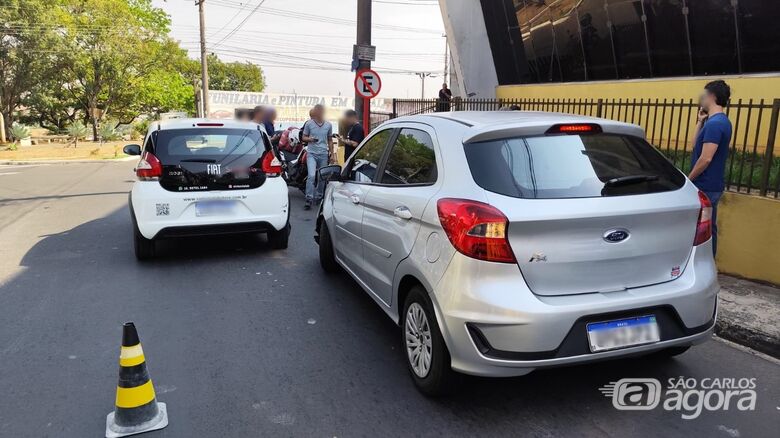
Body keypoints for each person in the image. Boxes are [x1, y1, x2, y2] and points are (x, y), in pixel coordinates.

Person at [688, 80, 732, 256]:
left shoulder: (716, 125)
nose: (702, 99)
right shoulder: (716, 122)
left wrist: (688, 179)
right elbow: (695, 146)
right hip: (709, 185)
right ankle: (707, 262)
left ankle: (706, 263)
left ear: (712, 96)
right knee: (706, 227)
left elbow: (705, 158)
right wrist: (700, 122)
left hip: (706, 185)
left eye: (704, 95)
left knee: (703, 231)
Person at [301, 104, 334, 210]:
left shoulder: (328, 125)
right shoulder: (309, 124)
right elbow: (303, 137)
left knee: (322, 177)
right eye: (317, 111)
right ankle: (309, 198)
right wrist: (310, 139)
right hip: (311, 153)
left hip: (323, 154)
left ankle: (319, 196)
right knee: (311, 175)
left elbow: (330, 140)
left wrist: (332, 154)